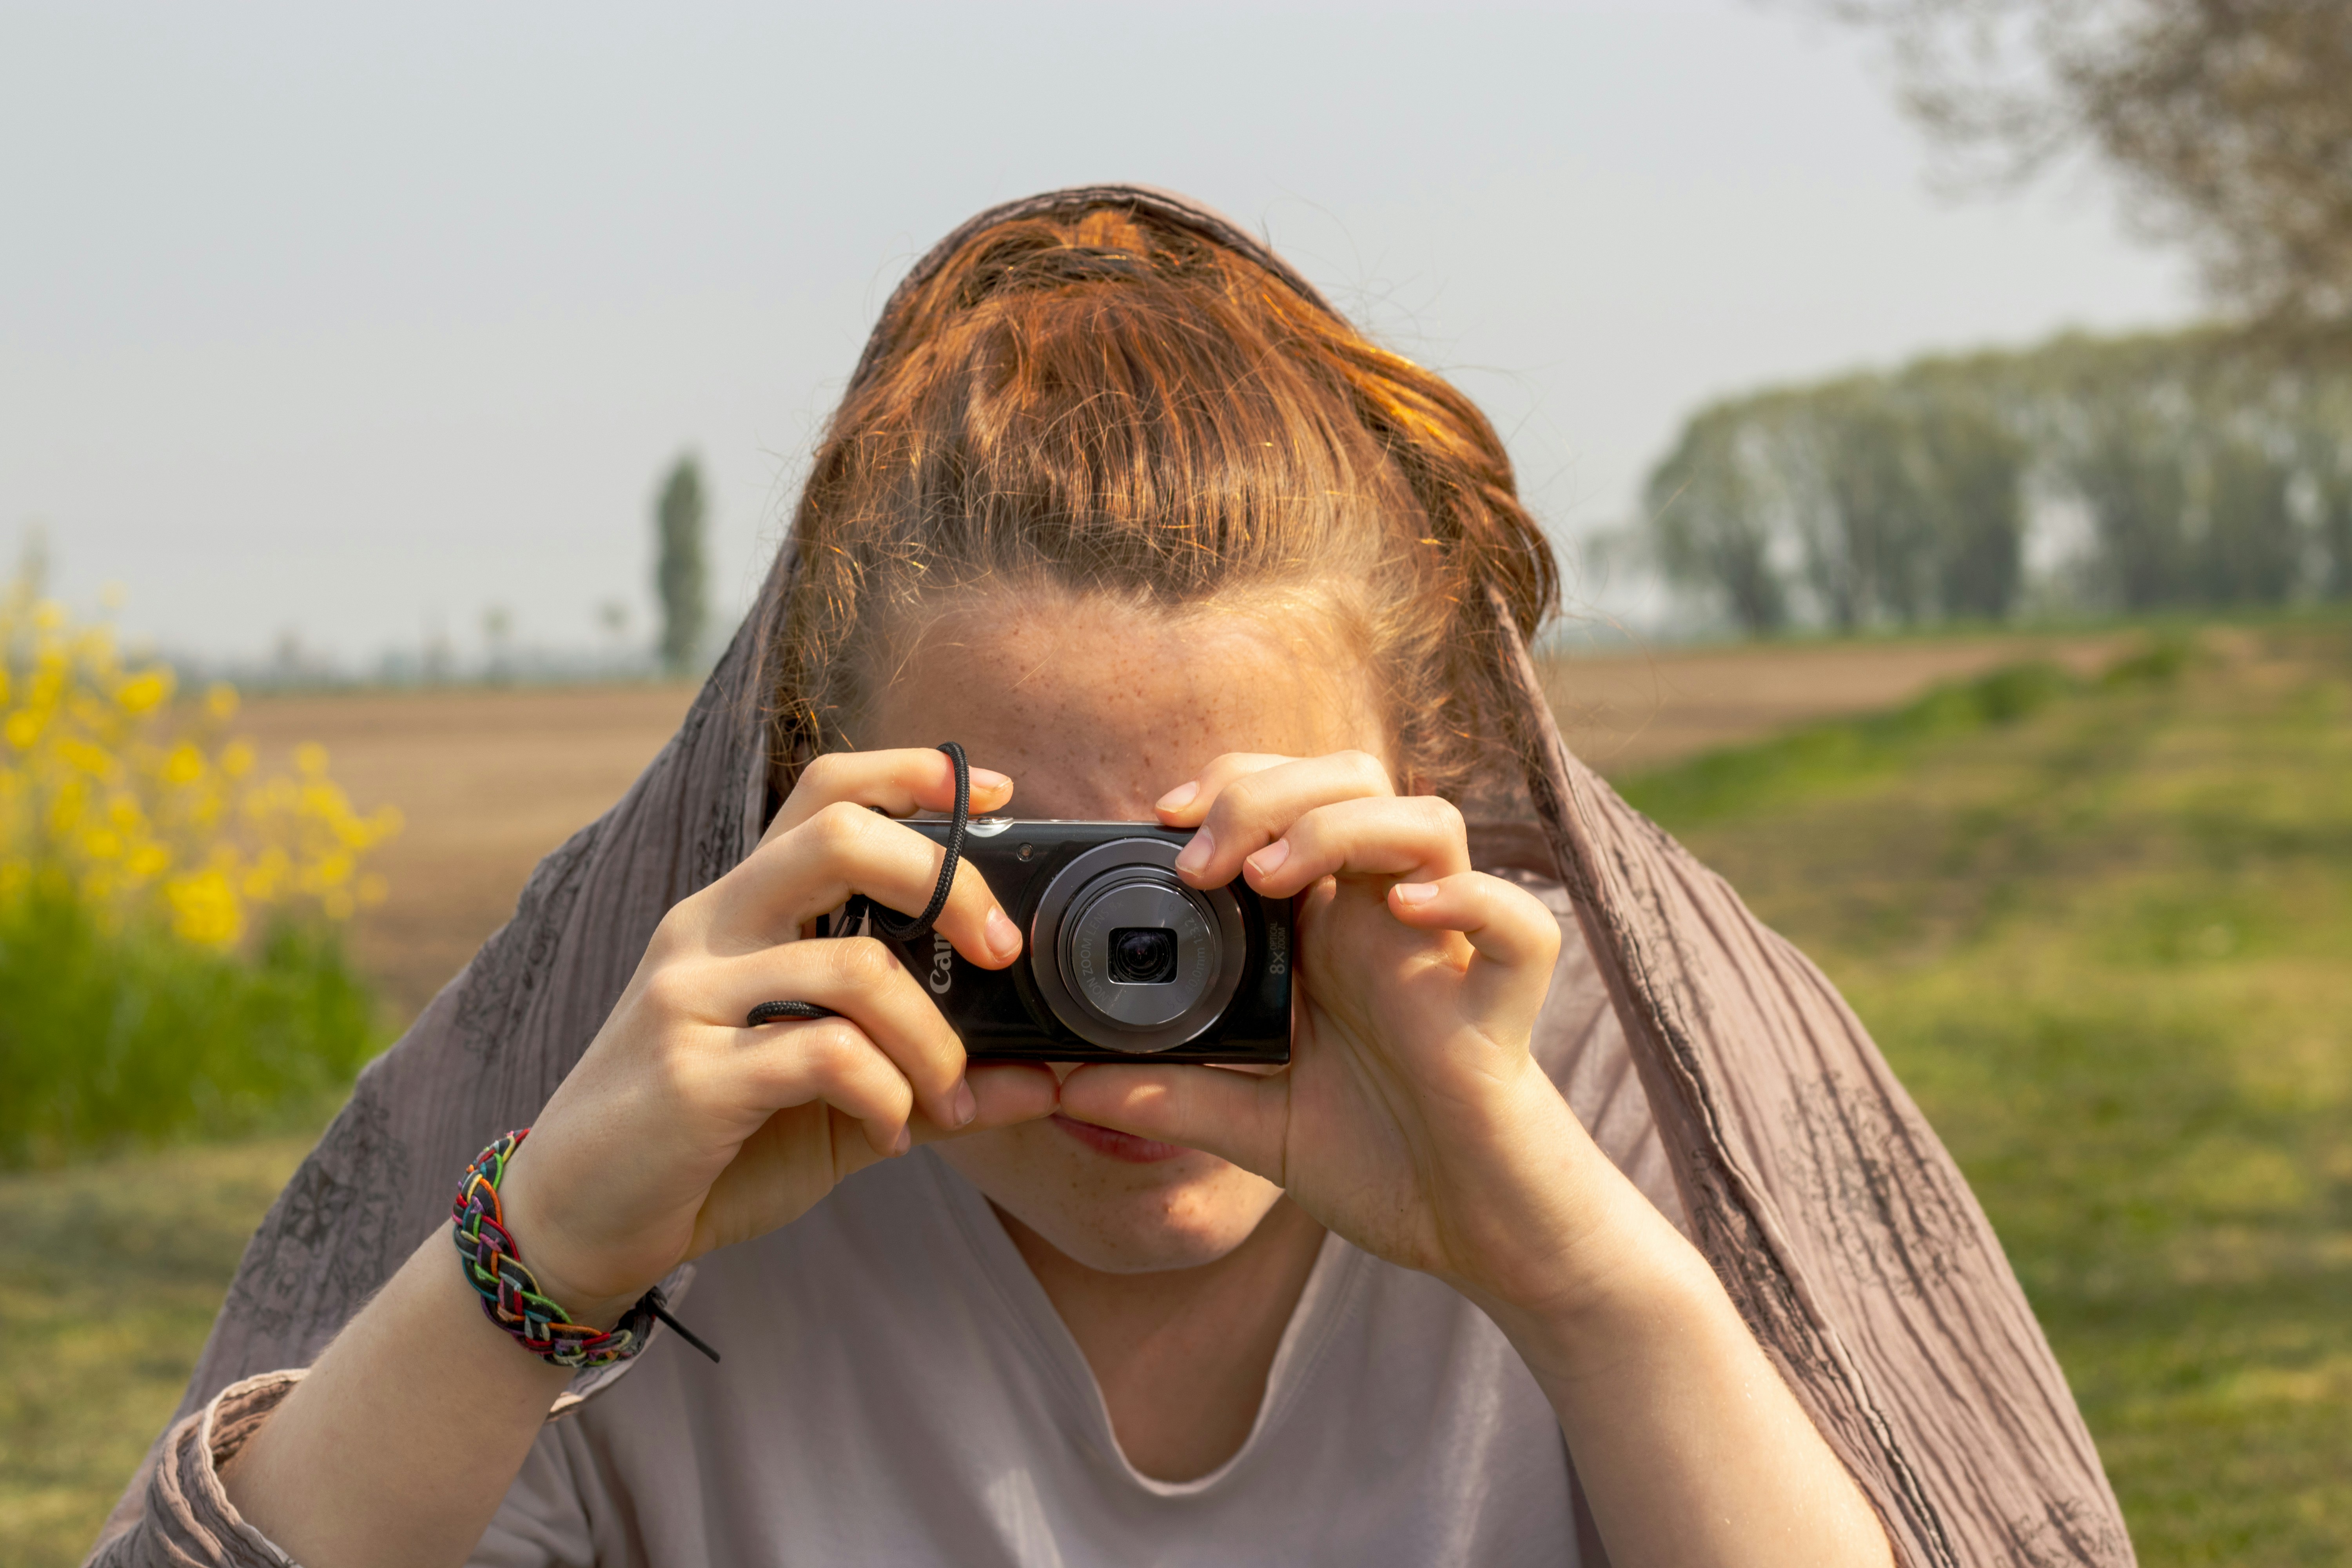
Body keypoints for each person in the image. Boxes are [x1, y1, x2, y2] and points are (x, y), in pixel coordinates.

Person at [94, 189, 2132, 1568]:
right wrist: (535, 1272)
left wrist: (1575, 1276)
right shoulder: (665, 1138)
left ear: (1438, 799)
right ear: (807, 811)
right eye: (1011, 866)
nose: (1120, 960)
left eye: (1227, 872)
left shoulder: (1594, 1098)